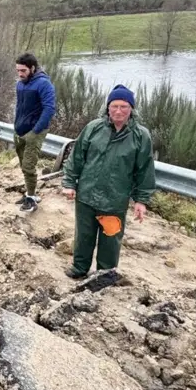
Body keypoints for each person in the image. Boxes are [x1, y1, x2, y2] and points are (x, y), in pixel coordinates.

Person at [60, 83, 156, 277]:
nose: (118, 111)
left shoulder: (140, 136)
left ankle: (105, 275)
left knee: (110, 239)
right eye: (114, 106)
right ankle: (79, 269)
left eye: (124, 107)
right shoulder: (93, 128)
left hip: (115, 199)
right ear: (108, 107)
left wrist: (141, 200)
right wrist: (69, 183)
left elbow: (145, 170)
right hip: (87, 195)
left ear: (131, 109)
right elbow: (77, 157)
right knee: (84, 236)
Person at [12, 52, 56, 212]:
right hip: (20, 130)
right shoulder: (20, 84)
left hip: (35, 131)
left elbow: (49, 109)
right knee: (24, 165)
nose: (20, 74)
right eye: (18, 70)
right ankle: (31, 194)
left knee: (29, 165)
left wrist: (35, 131)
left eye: (23, 70)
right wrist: (16, 127)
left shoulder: (43, 84)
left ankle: (31, 199)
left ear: (32, 68)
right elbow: (19, 107)